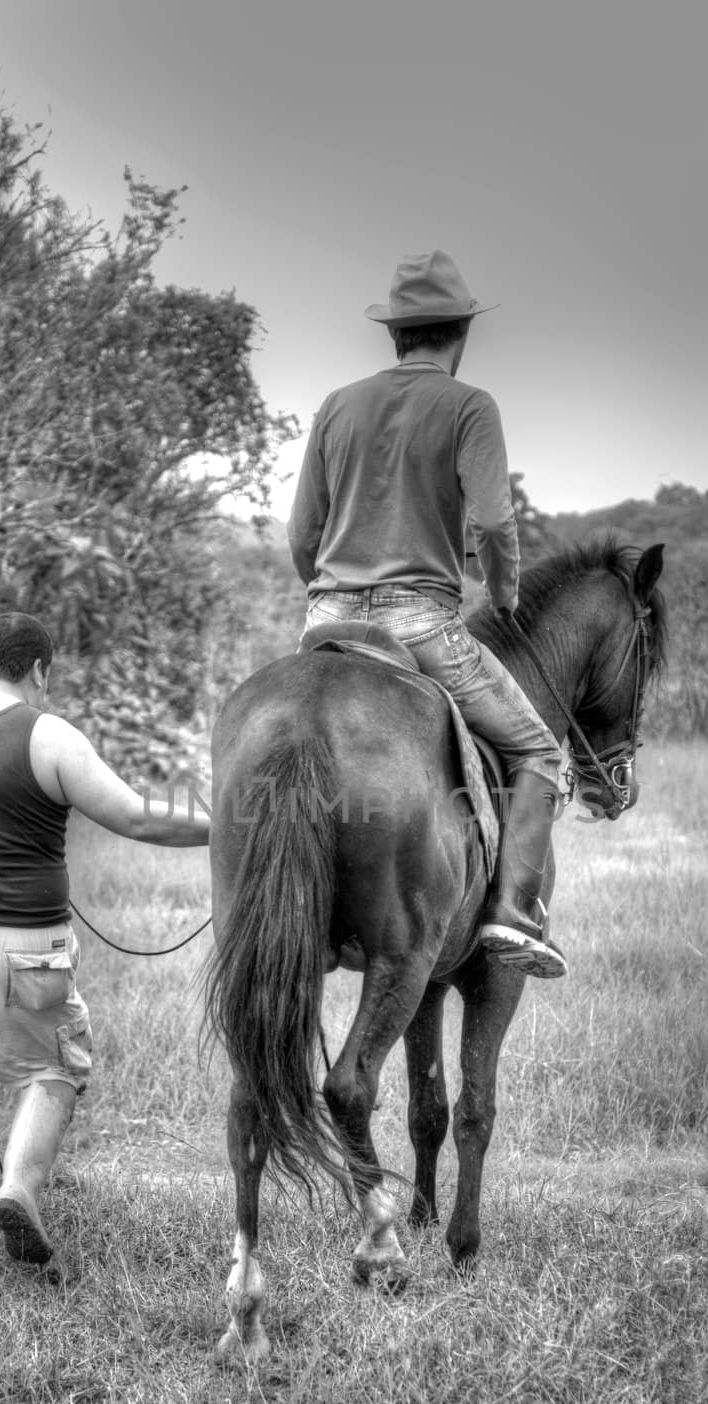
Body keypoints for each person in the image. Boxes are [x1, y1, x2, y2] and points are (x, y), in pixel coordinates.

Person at [0, 612, 209, 1289]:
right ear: (38, 671)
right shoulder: (49, 735)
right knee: (52, 1069)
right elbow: (137, 815)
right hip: (31, 945)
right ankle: (18, 1188)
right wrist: (223, 827)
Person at [288, 248, 566, 981]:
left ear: (394, 335)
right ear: (460, 332)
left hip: (325, 623)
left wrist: (323, 597)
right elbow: (494, 526)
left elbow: (300, 534)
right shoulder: (470, 405)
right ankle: (510, 913)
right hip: (419, 623)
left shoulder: (336, 405)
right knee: (539, 755)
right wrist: (502, 596)